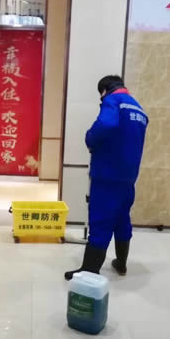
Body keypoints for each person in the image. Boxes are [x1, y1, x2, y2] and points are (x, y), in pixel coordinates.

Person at [65, 75, 148, 280]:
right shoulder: (138, 107)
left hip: (107, 174)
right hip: (128, 177)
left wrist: (90, 139)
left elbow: (106, 125)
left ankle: (89, 270)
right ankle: (121, 263)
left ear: (104, 90)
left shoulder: (113, 100)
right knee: (121, 218)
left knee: (100, 221)